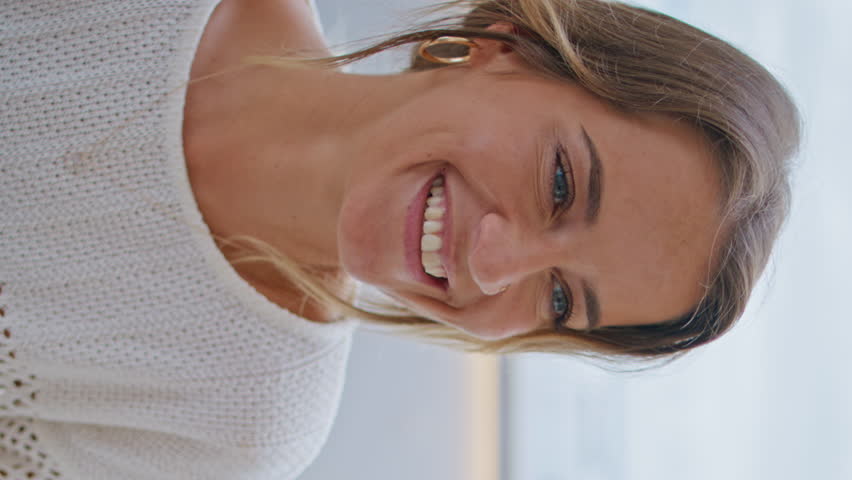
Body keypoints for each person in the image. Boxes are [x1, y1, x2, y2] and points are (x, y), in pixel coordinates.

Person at [0, 0, 799, 478]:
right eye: (560, 183)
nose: (492, 262)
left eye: (559, 298)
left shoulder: (242, 430)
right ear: (505, 43)